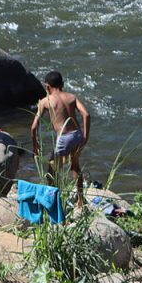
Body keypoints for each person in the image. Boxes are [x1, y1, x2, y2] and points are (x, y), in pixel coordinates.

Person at [31, 70, 91, 207]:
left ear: (47, 87)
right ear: (62, 84)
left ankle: (54, 202)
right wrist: (85, 136)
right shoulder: (71, 97)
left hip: (64, 138)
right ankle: (80, 200)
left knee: (51, 171)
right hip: (77, 134)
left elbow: (34, 127)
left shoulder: (45, 101)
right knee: (75, 166)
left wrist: (35, 145)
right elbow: (86, 115)